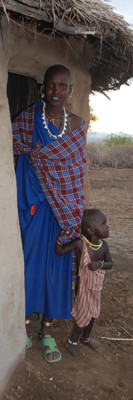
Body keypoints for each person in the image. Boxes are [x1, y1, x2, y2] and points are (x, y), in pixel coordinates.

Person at [12, 64, 86, 363]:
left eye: (62, 86)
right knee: (30, 264)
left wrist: (70, 207)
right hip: (33, 206)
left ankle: (47, 331)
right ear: (43, 87)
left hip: (62, 212)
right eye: (50, 85)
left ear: (70, 90)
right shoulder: (29, 118)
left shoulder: (78, 124)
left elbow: (76, 171)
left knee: (56, 267)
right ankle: (26, 327)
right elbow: (12, 150)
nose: (56, 91)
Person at [55, 208, 113, 357]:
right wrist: (60, 239)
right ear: (91, 230)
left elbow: (110, 264)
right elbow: (60, 252)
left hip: (96, 287)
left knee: (93, 313)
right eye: (104, 224)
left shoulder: (104, 246)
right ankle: (72, 341)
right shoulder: (80, 244)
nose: (108, 227)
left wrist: (99, 265)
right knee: (84, 314)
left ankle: (85, 338)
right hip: (83, 287)